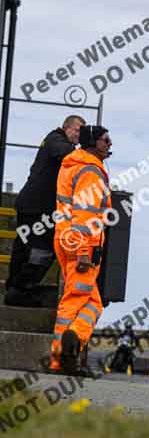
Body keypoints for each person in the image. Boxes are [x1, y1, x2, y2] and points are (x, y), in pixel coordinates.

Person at [49, 125, 113, 374]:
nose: (109, 144)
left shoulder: (73, 165)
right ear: (93, 143)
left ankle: (73, 338)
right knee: (74, 301)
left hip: (66, 239)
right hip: (81, 244)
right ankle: (61, 359)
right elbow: (85, 215)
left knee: (94, 303)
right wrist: (85, 251)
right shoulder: (90, 171)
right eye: (105, 140)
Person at [5, 115, 82, 306]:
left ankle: (15, 289)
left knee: (23, 249)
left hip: (32, 205)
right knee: (43, 251)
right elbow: (65, 154)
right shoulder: (56, 139)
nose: (79, 136)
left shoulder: (54, 140)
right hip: (38, 208)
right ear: (66, 128)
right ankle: (21, 290)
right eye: (77, 130)